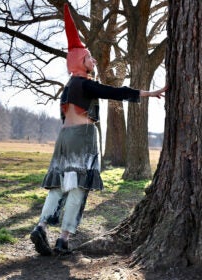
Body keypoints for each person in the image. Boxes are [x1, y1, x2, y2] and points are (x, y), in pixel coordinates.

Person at [30, 3, 166, 256]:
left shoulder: (69, 87)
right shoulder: (86, 83)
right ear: (81, 62)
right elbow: (114, 92)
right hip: (83, 138)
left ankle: (41, 226)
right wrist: (149, 92)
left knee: (60, 184)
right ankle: (63, 239)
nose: (94, 60)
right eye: (90, 57)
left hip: (64, 138)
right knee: (79, 186)